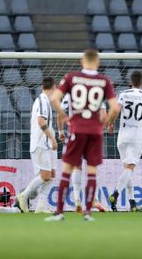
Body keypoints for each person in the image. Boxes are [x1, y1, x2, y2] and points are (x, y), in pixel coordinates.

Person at [46, 49, 118, 221]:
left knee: (67, 170)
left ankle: (59, 212)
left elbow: (54, 99)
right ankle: (87, 212)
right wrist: (107, 121)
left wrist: (64, 115)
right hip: (95, 131)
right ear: (98, 62)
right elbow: (115, 107)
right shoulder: (104, 81)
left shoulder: (72, 77)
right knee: (92, 172)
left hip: (77, 128)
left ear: (82, 61)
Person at [106, 70, 142, 212]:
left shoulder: (123, 94)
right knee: (129, 168)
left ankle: (132, 202)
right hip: (136, 137)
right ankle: (115, 193)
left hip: (122, 136)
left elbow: (115, 110)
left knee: (127, 169)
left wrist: (110, 123)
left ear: (130, 82)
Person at [57, 93, 107, 213]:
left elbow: (60, 114)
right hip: (92, 134)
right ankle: (93, 200)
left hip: (75, 132)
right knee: (91, 169)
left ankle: (77, 199)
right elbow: (104, 115)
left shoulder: (70, 94)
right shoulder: (96, 91)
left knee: (75, 167)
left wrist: (60, 131)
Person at [17, 77, 58, 213]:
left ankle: (41, 205)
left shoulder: (45, 101)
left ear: (42, 87)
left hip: (45, 143)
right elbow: (41, 121)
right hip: (41, 143)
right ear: (54, 88)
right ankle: (24, 195)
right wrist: (52, 138)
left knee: (51, 174)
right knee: (46, 175)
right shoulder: (42, 101)